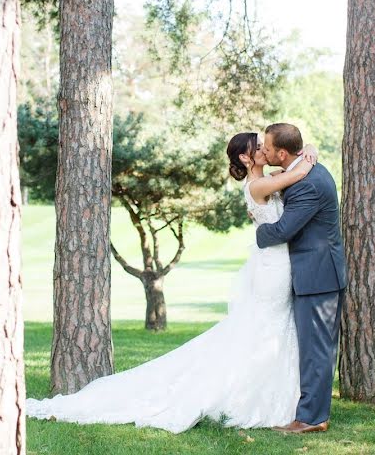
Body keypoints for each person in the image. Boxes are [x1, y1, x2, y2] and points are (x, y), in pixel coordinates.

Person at [25, 130, 318, 433]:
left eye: (265, 146)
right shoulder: (258, 185)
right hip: (273, 268)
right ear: (245, 158)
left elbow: (293, 165)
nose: (265, 150)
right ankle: (256, 398)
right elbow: (300, 172)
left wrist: (306, 147)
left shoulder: (266, 177)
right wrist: (309, 154)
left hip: (275, 263)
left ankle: (271, 394)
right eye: (258, 147)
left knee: (267, 330)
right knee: (267, 328)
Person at [255, 122, 347, 434]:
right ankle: (308, 410)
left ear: (282, 153)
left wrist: (257, 230)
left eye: (267, 148)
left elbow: (282, 230)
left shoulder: (308, 182)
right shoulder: (303, 169)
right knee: (310, 348)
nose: (264, 152)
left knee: (317, 350)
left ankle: (312, 418)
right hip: (311, 272)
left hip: (318, 276)